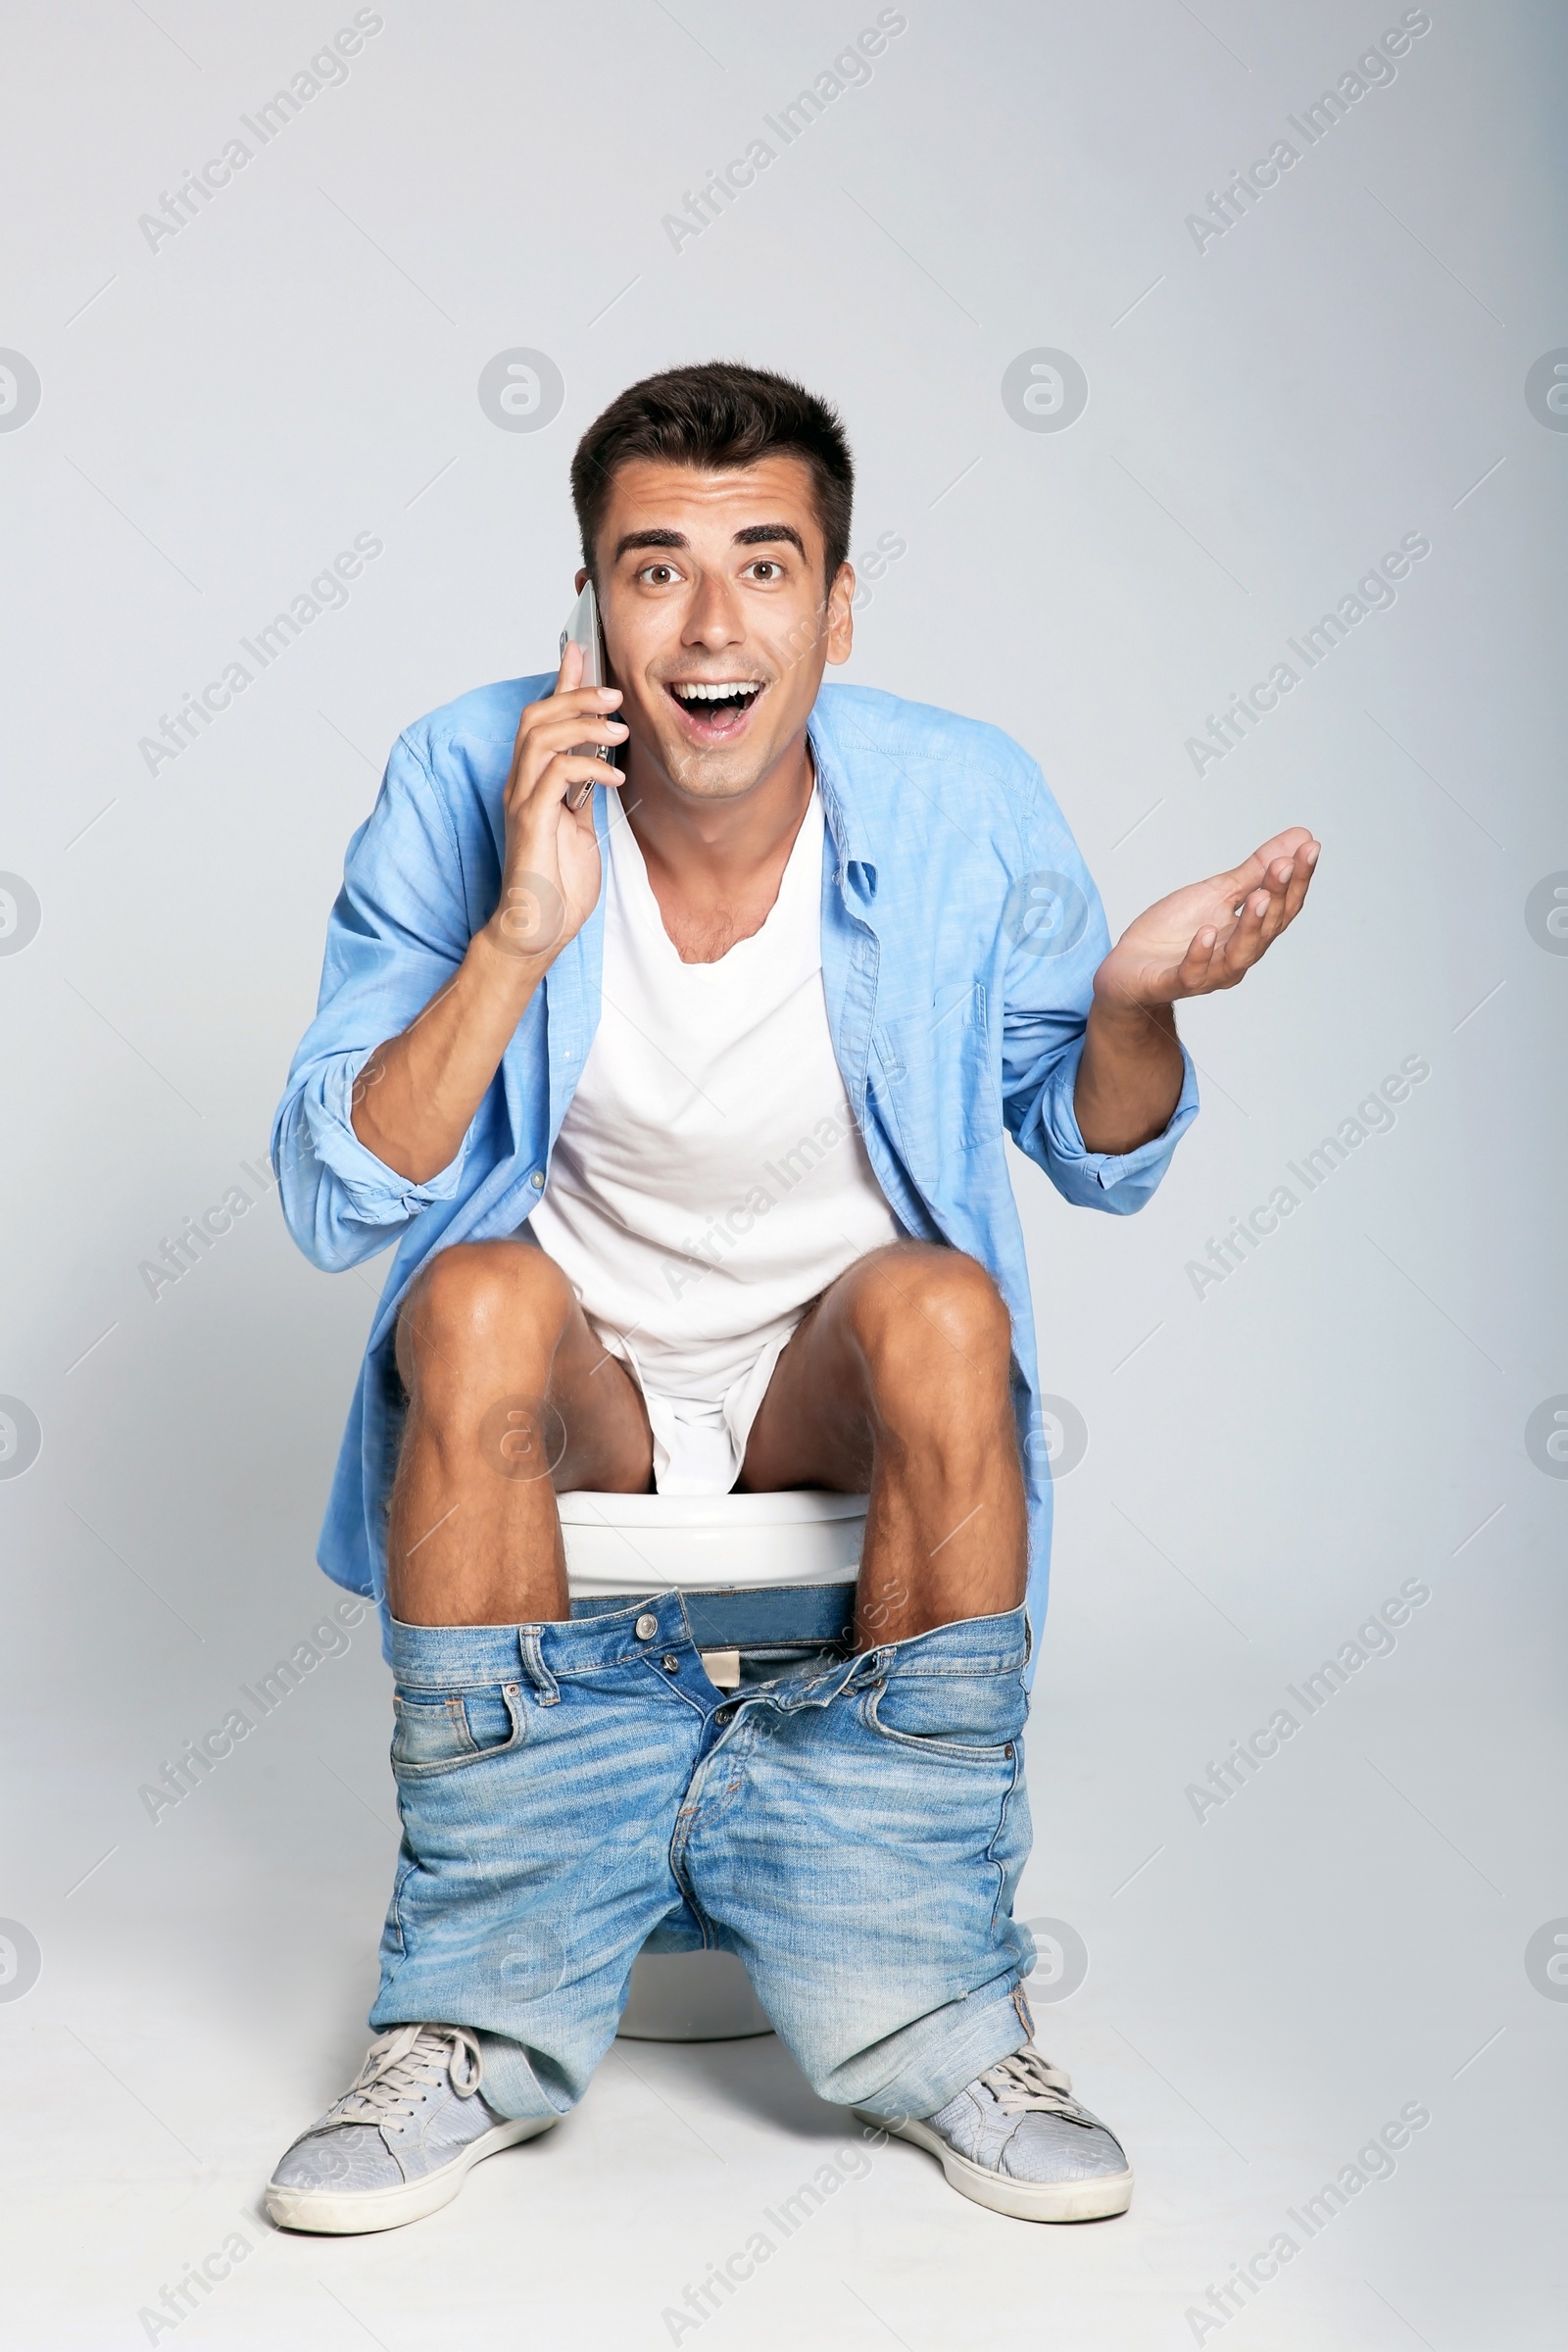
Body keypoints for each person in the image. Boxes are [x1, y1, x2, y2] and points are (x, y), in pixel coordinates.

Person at [266, 362, 1317, 2234]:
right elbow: (343, 1188)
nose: (714, 622)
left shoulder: (963, 793)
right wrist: (523, 931)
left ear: (839, 606)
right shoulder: (463, 772)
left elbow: (1098, 1148)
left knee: (945, 1308)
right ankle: (475, 2018)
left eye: (766, 564)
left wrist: (1135, 1006)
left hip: (817, 1387)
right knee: (472, 1304)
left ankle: (926, 2004)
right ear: (586, 608)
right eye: (654, 570)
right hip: (570, 1376)